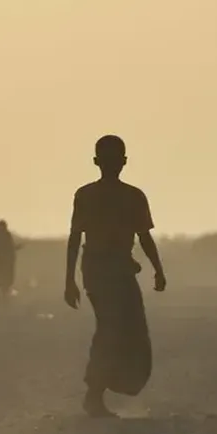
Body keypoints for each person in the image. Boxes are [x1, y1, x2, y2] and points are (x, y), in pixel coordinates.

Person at [64, 135, 167, 418]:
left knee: (126, 330)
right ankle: (94, 393)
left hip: (114, 270)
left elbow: (143, 236)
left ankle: (106, 387)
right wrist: (68, 281)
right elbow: (76, 237)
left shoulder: (128, 196)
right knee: (111, 329)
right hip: (101, 271)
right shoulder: (96, 195)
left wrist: (158, 268)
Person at [0, 219, 22, 306]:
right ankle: (1, 295)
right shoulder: (4, 235)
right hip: (3, 261)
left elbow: (8, 246)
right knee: (4, 278)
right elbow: (9, 246)